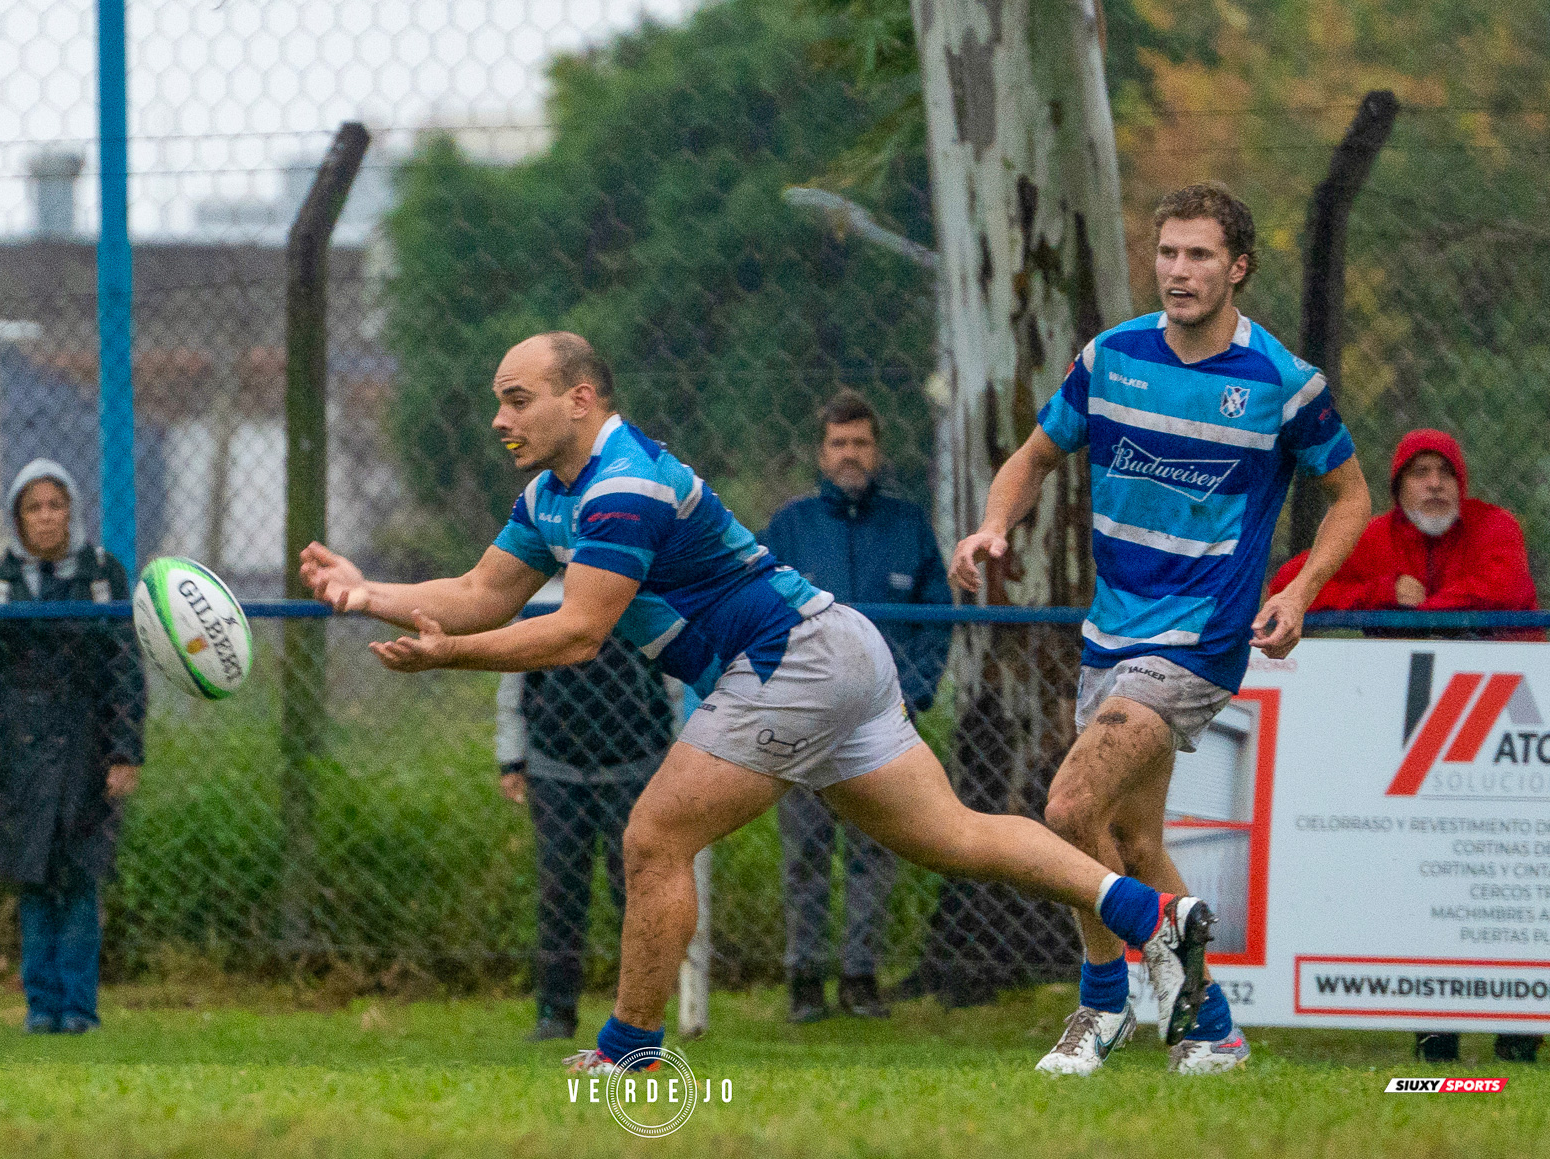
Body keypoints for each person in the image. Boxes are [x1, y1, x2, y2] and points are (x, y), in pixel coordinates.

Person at [300, 330, 1217, 1076]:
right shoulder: (552, 495)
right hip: (831, 647)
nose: (500, 417)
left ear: (580, 397)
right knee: (958, 835)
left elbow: (577, 631)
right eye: (498, 399)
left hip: (787, 660)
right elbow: (483, 588)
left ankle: (629, 1052)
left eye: (517, 398)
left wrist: (446, 657)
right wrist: (367, 591)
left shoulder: (621, 488)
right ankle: (1147, 913)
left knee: (655, 839)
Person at [953, 182, 1373, 1076]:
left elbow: (1351, 495)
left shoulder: (1282, 385)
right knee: (1131, 842)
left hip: (1198, 638)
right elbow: (1031, 459)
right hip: (1112, 631)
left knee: (1068, 807)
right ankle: (1212, 1025)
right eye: (1167, 253)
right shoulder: (1112, 357)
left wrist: (1297, 595)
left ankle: (1101, 1006)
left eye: (1200, 256)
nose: (1178, 272)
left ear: (1239, 269)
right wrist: (995, 525)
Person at [1271, 428, 1543, 1065]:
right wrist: (1381, 594)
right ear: (1395, 488)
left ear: (1462, 483)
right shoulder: (1370, 539)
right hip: (1409, 735)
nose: (1434, 484)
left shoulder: (1495, 526)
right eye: (1419, 473)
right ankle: (1435, 1048)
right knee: (1421, 876)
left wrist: (1424, 611)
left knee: (1503, 881)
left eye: (1444, 471)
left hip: (1503, 733)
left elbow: (1502, 594)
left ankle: (1518, 1038)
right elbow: (1290, 588)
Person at [759, 389, 951, 1022]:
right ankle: (805, 983)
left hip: (883, 725)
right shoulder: (788, 529)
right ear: (821, 452)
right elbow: (755, 610)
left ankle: (862, 979)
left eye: (861, 443)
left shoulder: (908, 526)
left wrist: (914, 693)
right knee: (805, 856)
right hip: (801, 724)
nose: (850, 454)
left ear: (877, 450)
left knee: (876, 853)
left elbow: (936, 618)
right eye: (838, 443)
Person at [0, 459, 146, 1034]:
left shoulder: (104, 575)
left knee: (80, 878)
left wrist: (125, 751)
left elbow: (125, 671)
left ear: (72, 511)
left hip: (85, 749)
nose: (45, 517)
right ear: (18, 517)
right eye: (33, 507)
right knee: (31, 877)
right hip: (14, 753)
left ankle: (80, 1010)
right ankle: (41, 1007)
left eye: (55, 504)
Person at [495, 579, 677, 1041]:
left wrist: (680, 759)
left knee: (636, 895)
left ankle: (638, 1015)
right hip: (555, 771)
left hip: (639, 769)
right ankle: (555, 1015)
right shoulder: (538, 602)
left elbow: (675, 684)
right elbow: (513, 685)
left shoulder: (645, 596)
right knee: (560, 895)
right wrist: (511, 759)